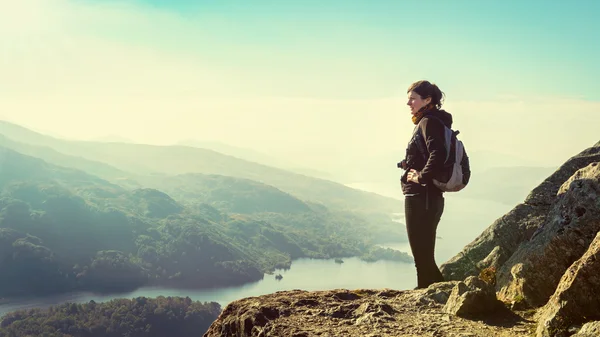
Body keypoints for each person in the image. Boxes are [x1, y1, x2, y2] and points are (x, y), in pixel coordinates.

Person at [398, 80, 453, 289]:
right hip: (430, 197)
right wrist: (410, 164)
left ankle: (429, 294)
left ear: (427, 100)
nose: (408, 103)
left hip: (421, 197)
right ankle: (435, 294)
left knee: (421, 255)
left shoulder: (428, 122)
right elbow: (433, 153)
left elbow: (437, 155)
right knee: (424, 255)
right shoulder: (435, 122)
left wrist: (419, 177)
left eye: (413, 98)